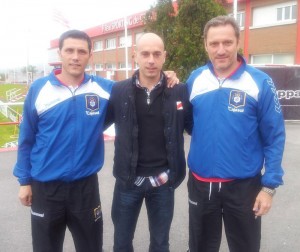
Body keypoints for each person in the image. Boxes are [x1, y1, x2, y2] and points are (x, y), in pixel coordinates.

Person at [13, 29, 179, 252]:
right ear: (60, 54)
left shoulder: (106, 89)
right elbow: (26, 139)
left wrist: (165, 75)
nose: (75, 56)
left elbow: (139, 85)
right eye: (69, 50)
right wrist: (24, 181)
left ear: (90, 55)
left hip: (85, 187)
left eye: (81, 51)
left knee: (91, 247)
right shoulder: (39, 89)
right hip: (45, 187)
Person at [186, 16, 285, 252]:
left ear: (238, 42)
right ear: (205, 45)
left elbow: (274, 136)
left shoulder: (259, 82)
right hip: (201, 185)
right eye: (214, 43)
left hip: (244, 187)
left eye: (227, 42)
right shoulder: (195, 79)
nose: (221, 50)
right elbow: (189, 123)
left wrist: (268, 187)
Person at [105, 32, 193, 252]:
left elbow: (194, 128)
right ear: (135, 56)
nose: (151, 60)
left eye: (156, 54)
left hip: (163, 182)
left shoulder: (180, 90)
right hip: (128, 181)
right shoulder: (118, 90)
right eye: (145, 54)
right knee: (122, 243)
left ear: (164, 56)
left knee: (160, 243)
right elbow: (95, 124)